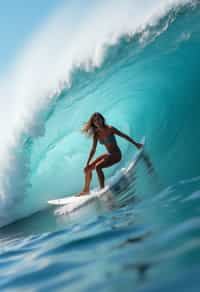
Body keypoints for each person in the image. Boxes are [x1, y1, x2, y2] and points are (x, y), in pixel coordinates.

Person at [79, 112, 143, 195]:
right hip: (109, 155)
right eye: (95, 121)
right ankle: (86, 190)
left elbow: (124, 136)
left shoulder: (110, 129)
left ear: (102, 119)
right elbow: (93, 150)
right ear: (93, 123)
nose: (97, 121)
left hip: (116, 155)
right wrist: (87, 163)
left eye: (98, 119)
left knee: (98, 167)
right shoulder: (96, 135)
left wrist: (136, 144)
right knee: (87, 169)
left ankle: (102, 190)